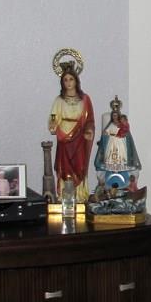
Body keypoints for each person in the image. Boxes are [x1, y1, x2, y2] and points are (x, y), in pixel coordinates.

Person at [48, 62, 95, 202]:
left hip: (79, 136)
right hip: (64, 135)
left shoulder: (85, 99)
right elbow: (54, 115)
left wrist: (88, 130)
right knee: (65, 166)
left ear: (76, 81)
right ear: (62, 83)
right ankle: (65, 195)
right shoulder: (59, 100)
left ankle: (79, 196)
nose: (68, 83)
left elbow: (90, 119)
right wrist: (53, 123)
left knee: (79, 165)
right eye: (65, 80)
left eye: (71, 79)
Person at [94, 96, 141, 186]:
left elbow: (126, 135)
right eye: (113, 116)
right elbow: (106, 132)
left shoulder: (122, 125)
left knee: (121, 158)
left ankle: (121, 170)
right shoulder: (111, 124)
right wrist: (106, 136)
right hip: (111, 146)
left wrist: (122, 135)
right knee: (111, 158)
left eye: (116, 115)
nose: (115, 117)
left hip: (121, 146)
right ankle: (112, 170)